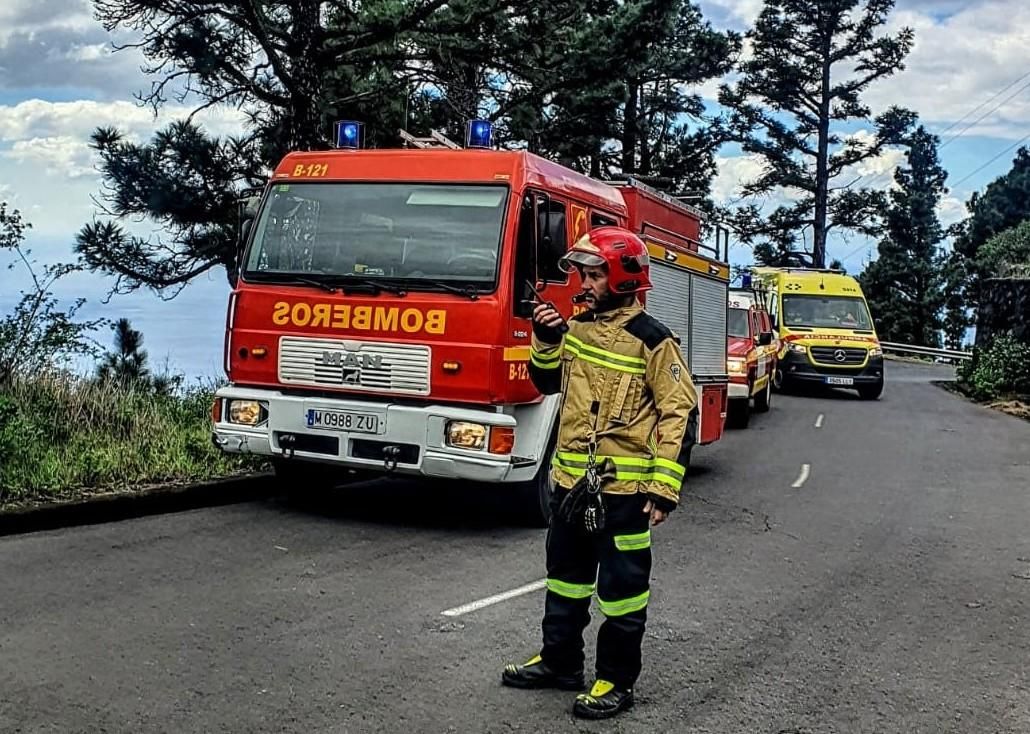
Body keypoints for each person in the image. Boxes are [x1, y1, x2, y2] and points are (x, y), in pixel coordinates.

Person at [501, 226, 698, 720]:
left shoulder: (654, 342)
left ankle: (615, 681)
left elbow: (680, 414)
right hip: (571, 487)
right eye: (582, 275)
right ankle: (559, 662)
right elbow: (548, 382)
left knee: (622, 594)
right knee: (565, 580)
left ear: (624, 279)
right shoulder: (577, 329)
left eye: (593, 276)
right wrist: (546, 339)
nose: (582, 285)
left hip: (625, 494)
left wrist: (664, 489)